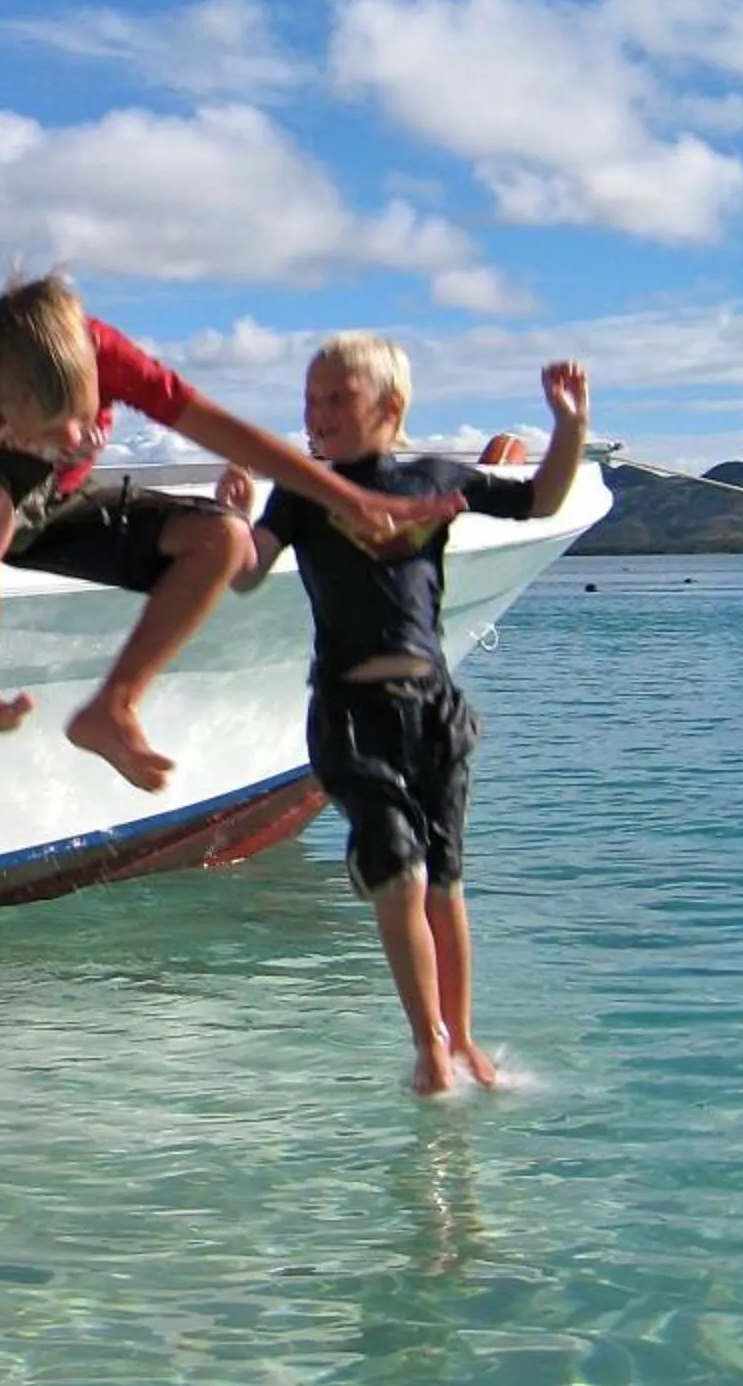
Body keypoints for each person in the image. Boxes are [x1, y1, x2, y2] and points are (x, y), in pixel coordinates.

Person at [0, 274, 461, 786]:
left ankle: (112, 707)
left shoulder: (105, 352)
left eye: (87, 417)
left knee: (221, 538)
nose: (79, 435)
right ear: (0, 403)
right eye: (54, 429)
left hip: (63, 509)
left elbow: (222, 427)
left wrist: (348, 495)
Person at [235, 336, 590, 1096]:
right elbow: (246, 572)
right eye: (311, 398)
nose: (317, 414)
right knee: (398, 874)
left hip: (433, 713)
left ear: (389, 410)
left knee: (444, 884)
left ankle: (462, 1039)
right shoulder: (301, 493)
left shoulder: (433, 476)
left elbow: (542, 501)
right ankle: (429, 1046)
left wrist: (567, 427)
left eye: (336, 399)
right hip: (351, 716)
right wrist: (235, 524)